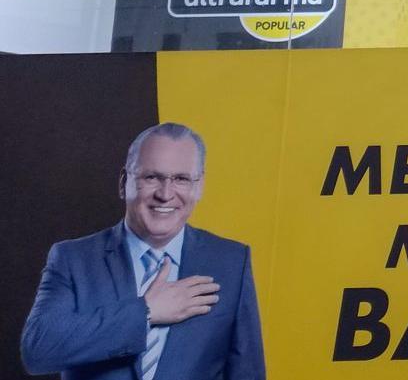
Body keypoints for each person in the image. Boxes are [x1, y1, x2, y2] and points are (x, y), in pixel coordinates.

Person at [20, 123, 264, 379]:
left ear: (199, 186)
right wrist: (145, 312)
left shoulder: (231, 262)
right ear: (124, 182)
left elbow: (248, 372)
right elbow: (38, 351)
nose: (166, 194)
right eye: (151, 177)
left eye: (181, 179)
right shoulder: (73, 260)